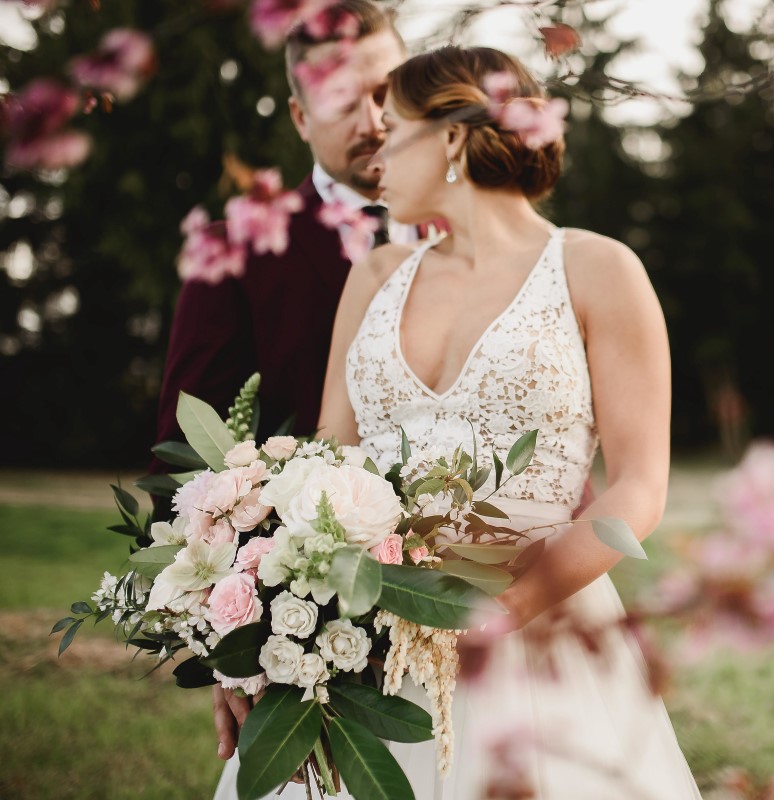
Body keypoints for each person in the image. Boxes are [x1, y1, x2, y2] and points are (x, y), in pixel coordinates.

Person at [217, 45, 701, 799]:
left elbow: (638, 489)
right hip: (366, 646)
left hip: (538, 636)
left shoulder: (599, 268)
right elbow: (323, 464)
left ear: (451, 137)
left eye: (395, 129)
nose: (374, 149)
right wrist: (253, 635)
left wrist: (504, 611)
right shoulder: (374, 275)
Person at [148, 0, 410, 765]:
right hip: (316, 636)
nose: (373, 119)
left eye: (388, 90)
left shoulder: (479, 235)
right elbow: (184, 457)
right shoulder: (236, 248)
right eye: (340, 101)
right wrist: (232, 639)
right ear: (299, 116)